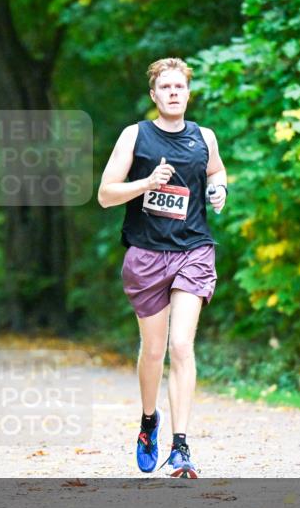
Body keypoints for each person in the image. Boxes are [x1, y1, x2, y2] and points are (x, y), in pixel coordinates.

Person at [97, 57, 228, 477]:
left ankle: (181, 446)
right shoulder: (135, 135)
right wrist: (147, 183)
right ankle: (149, 421)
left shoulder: (204, 137)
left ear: (188, 93)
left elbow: (216, 170)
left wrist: (219, 188)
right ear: (154, 95)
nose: (174, 92)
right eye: (166, 87)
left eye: (180, 87)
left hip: (194, 250)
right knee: (153, 351)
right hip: (147, 254)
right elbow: (105, 194)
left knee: (181, 346)